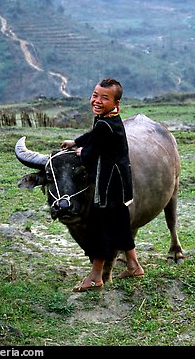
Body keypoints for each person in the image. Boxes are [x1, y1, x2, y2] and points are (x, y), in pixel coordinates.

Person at [61, 78, 144, 292]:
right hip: (120, 183)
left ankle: (95, 276)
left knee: (100, 228)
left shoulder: (105, 124)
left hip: (107, 186)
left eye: (104, 98)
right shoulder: (110, 119)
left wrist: (81, 152)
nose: (97, 100)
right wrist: (77, 142)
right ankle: (134, 265)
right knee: (121, 222)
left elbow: (90, 154)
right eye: (95, 95)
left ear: (116, 103)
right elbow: (93, 135)